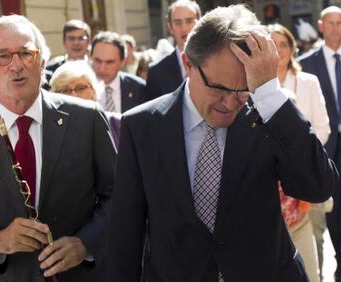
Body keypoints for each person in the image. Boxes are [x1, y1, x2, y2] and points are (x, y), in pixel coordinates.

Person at [106, 4, 337, 281]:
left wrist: (269, 92)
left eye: (242, 91)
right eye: (219, 88)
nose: (230, 103)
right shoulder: (142, 125)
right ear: (188, 64)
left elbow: (318, 186)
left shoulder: (267, 114)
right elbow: (126, 234)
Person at [0, 15, 116, 282]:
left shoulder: (87, 119)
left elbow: (120, 197)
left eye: (26, 53)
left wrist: (86, 243)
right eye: (3, 56)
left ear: (42, 63)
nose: (16, 65)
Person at [268, 23, 331, 282]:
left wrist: (298, 154)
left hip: (303, 182)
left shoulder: (308, 81)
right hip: (272, 195)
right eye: (273, 44)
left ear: (292, 47)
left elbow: (322, 128)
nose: (279, 50)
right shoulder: (252, 85)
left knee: (311, 255)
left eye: (283, 44)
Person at [299, 6, 341, 281]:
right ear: (321, 26)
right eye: (331, 23)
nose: (336, 27)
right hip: (329, 149)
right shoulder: (306, 63)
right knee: (334, 212)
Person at [50, 60, 121, 146]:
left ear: (94, 92)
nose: (74, 96)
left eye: (80, 88)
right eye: (65, 90)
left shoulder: (117, 124)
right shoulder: (50, 130)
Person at [146, 0, 201, 101]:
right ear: (170, 28)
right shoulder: (157, 71)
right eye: (178, 23)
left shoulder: (216, 62)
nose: (184, 28)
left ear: (200, 23)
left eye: (189, 21)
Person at [91, 31, 146, 113]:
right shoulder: (79, 88)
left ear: (123, 62)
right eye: (98, 60)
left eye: (109, 62)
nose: (102, 68)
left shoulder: (139, 88)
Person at [45, 19, 91, 84]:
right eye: (71, 38)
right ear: (64, 42)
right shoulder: (52, 70)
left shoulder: (97, 68)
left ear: (88, 42)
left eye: (81, 38)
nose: (76, 43)